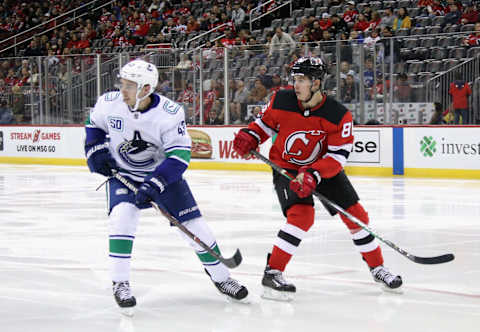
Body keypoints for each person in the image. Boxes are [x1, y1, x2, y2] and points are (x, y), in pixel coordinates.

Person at [84, 59, 248, 314]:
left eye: (129, 85)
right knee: (121, 219)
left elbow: (179, 156)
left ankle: (222, 278)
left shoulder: (170, 114)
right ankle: (120, 283)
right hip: (124, 174)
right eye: (122, 83)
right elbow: (93, 125)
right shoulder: (109, 102)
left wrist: (155, 184)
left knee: (196, 229)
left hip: (163, 177)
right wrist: (95, 150)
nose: (122, 90)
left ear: (146, 89)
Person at [232, 57, 402, 301]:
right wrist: (250, 136)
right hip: (287, 167)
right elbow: (263, 125)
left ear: (317, 83)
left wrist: (313, 173)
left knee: (356, 215)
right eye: (295, 79)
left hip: (322, 169)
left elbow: (337, 157)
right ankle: (273, 272)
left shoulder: (338, 115)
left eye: (302, 80)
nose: (296, 84)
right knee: (302, 216)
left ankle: (377, 268)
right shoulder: (281, 99)